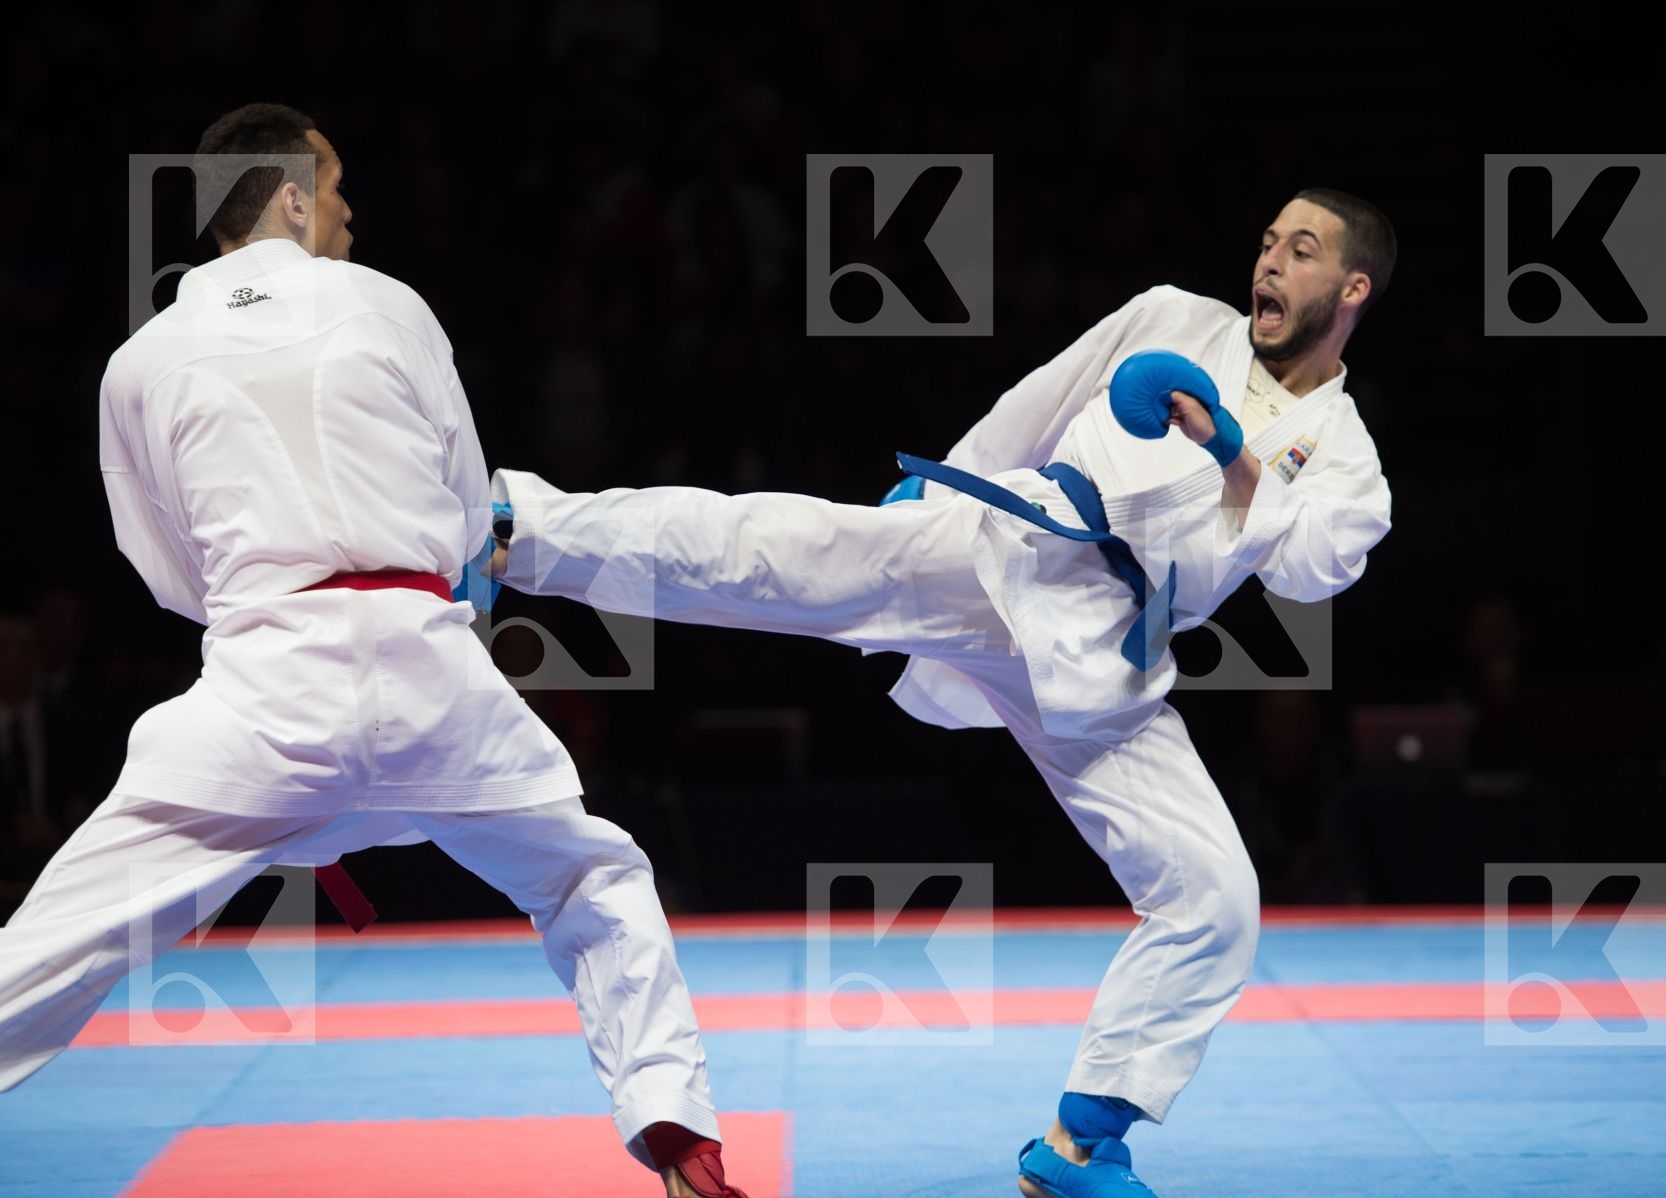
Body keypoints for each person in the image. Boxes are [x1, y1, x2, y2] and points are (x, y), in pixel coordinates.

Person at [489, 189, 1396, 1198]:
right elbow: (1040, 403)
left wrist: (1230, 449)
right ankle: (520, 526)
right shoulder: (1177, 316)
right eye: (1267, 240)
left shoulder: (1348, 458)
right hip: (1008, 551)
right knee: (772, 552)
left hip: (1107, 658)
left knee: (1214, 895)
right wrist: (948, 484)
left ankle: (1081, 1143)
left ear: (1353, 287)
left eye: (1301, 250)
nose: (1270, 262)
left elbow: (1312, 569)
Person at [0, 104, 748, 1198]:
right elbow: (469, 514)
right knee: (593, 878)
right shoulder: (391, 304)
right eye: (338, 187)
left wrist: (271, 602)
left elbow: (162, 570)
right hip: (431, 672)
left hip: (261, 689)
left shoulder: (138, 362)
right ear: (292, 197)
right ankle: (681, 1143)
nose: (349, 212)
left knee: (57, 941)